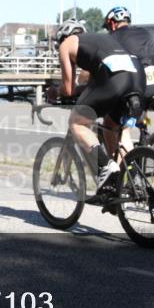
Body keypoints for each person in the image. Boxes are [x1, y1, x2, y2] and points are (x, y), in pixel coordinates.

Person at [55, 19, 145, 205]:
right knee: (112, 126)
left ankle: (106, 168)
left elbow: (68, 89)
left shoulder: (66, 44)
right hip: (137, 76)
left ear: (62, 37)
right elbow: (94, 84)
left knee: (76, 123)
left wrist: (53, 91)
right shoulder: (99, 41)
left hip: (115, 79)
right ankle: (130, 179)